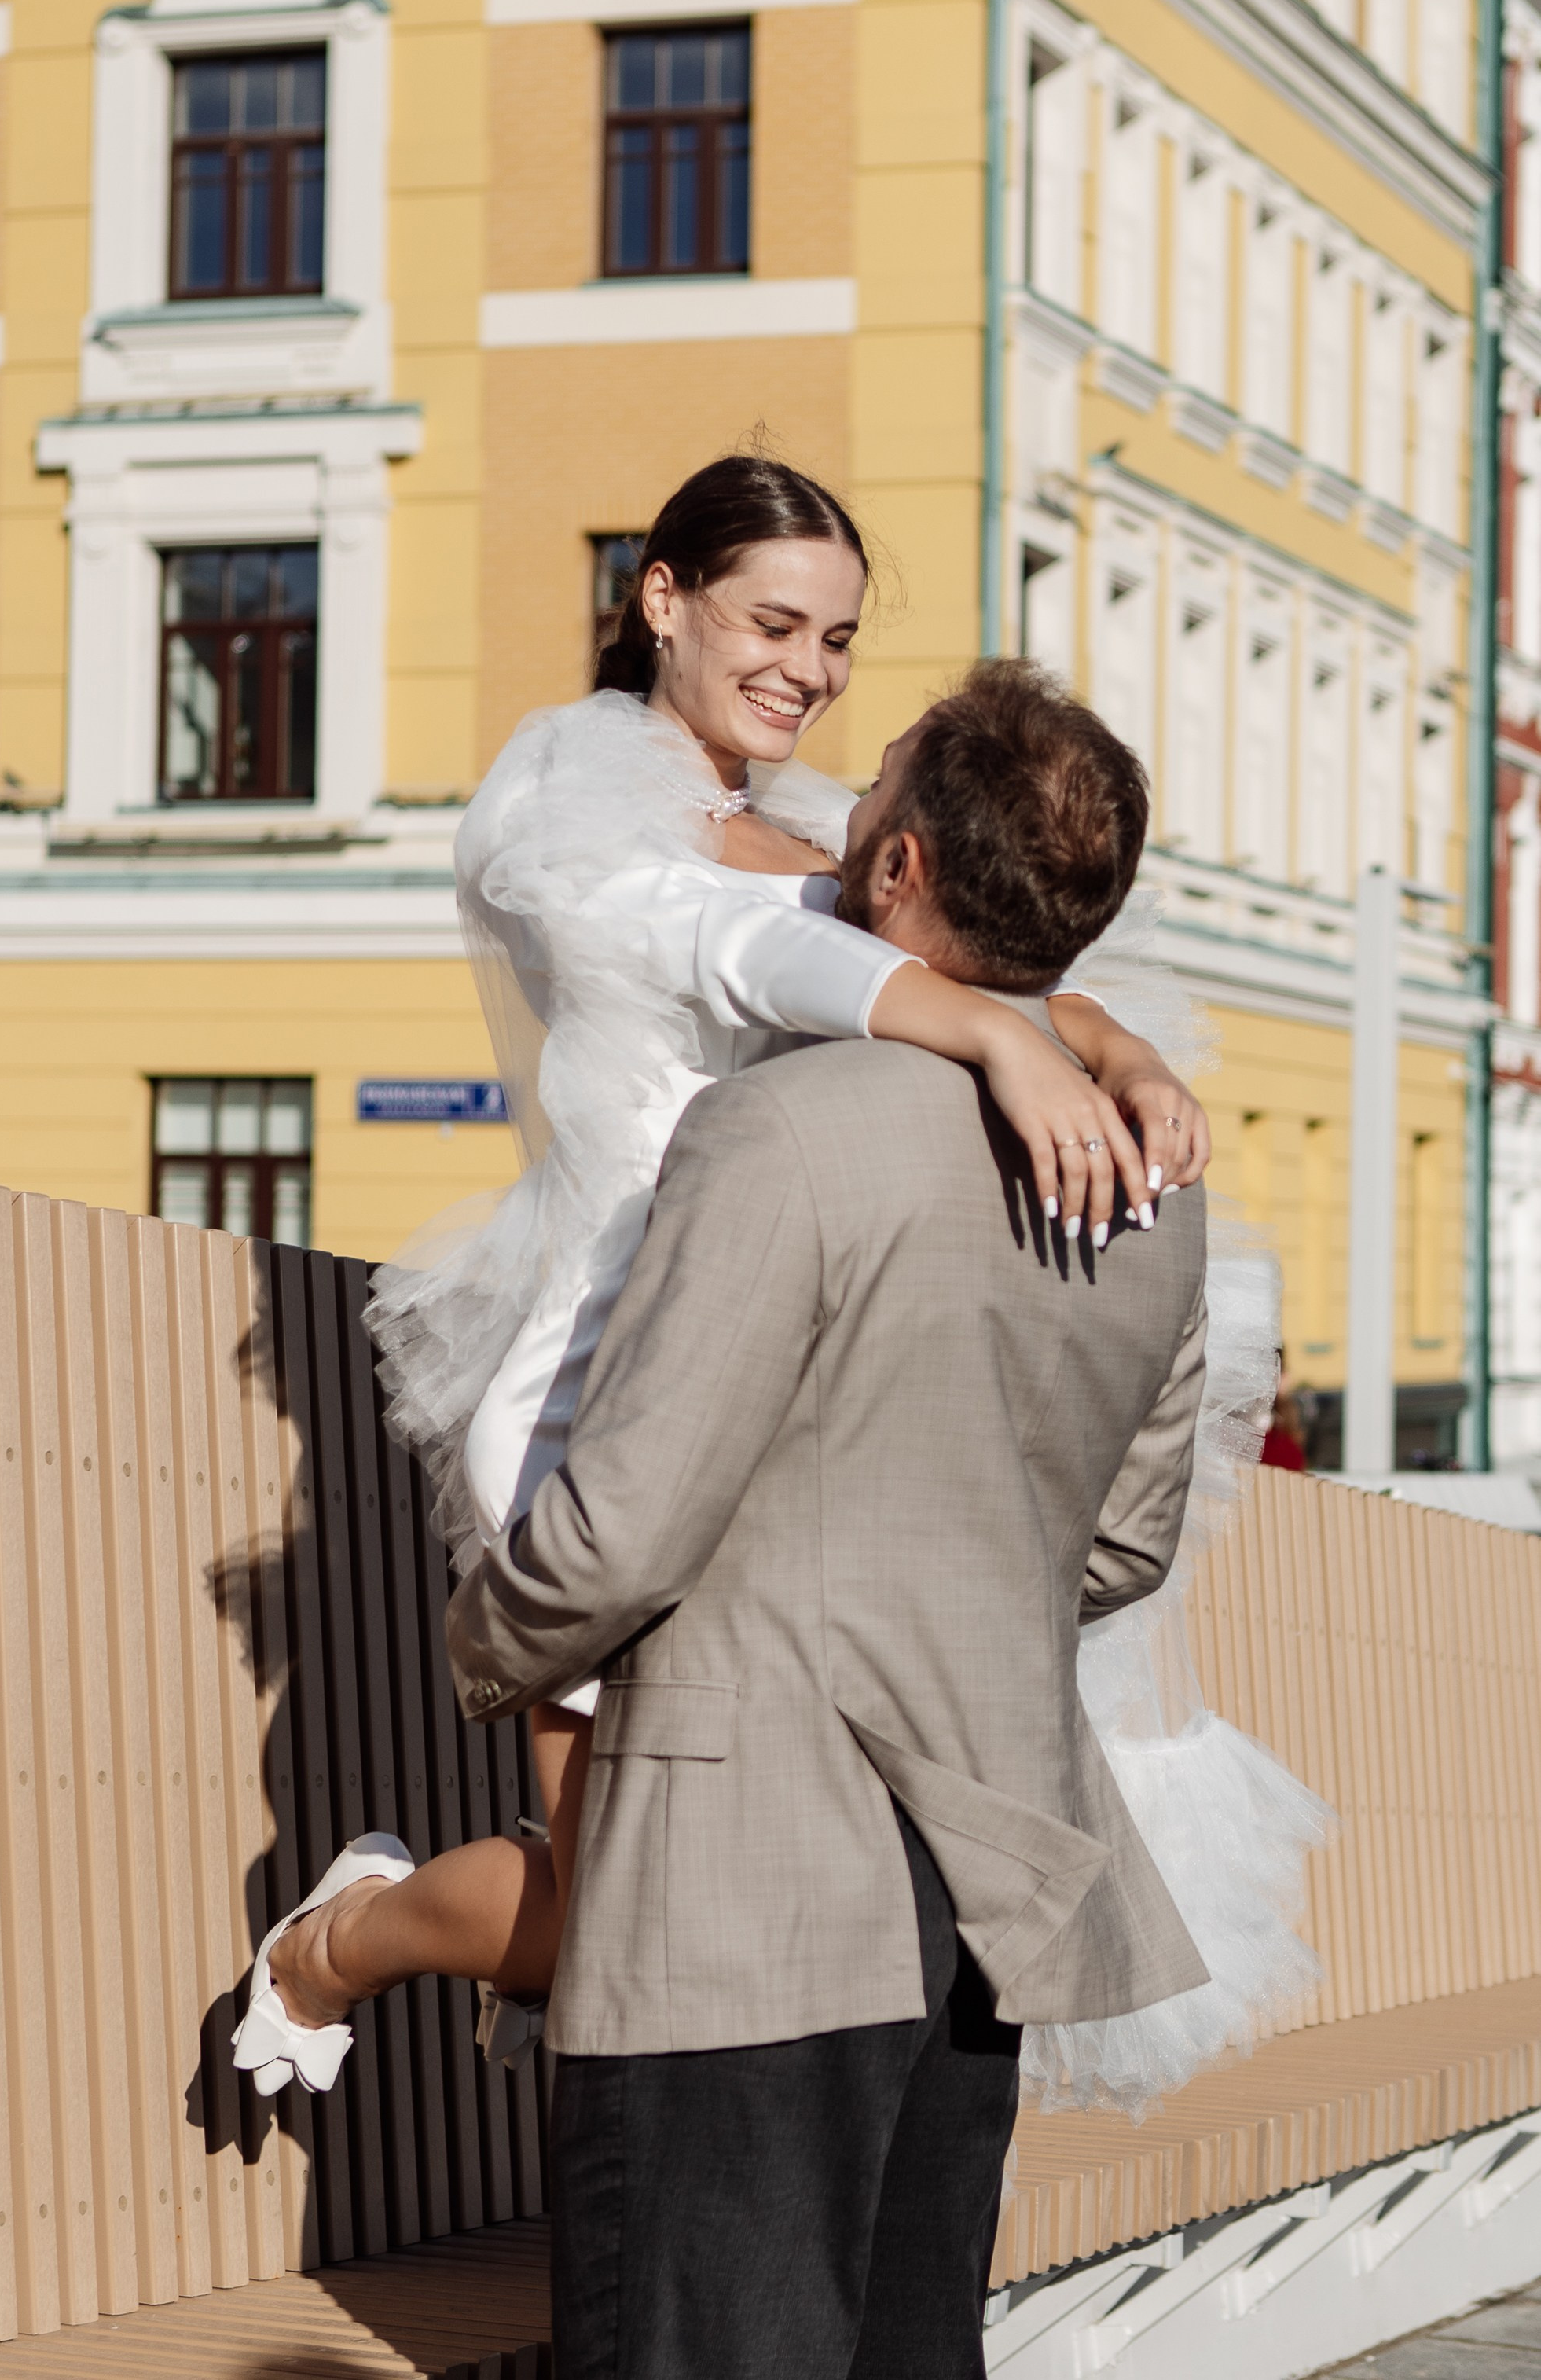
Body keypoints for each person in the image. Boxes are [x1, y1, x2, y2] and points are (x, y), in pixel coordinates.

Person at [233, 456, 1321, 2116]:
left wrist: (1109, 1043)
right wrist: (995, 1040)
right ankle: (343, 1942)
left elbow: (958, 938)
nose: (808, 669)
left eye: (839, 638)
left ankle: (556, 2033)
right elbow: (759, 948)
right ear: (662, 597)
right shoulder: (569, 796)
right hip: (605, 1406)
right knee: (613, 1914)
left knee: (711, 1910)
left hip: (779, 1429)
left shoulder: (819, 822)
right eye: (773, 621)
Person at [441, 667, 1213, 2380]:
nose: (844, 808)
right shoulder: (1154, 1199)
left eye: (873, 796)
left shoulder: (779, 1132)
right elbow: (1121, 1544)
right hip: (981, 1890)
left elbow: (622, 1530)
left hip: (742, 1891)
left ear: (901, 867)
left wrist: (485, 1642)